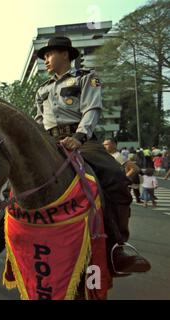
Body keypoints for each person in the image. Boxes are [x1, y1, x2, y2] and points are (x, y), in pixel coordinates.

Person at [34, 36, 150, 274]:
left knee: (115, 179)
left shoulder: (87, 77)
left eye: (49, 54)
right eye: (44, 56)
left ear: (65, 54)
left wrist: (78, 137)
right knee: (17, 170)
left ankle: (117, 247)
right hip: (48, 142)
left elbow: (91, 109)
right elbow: (38, 120)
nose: (45, 59)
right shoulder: (42, 88)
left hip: (81, 141)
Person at [104, 138, 142, 204]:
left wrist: (123, 178)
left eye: (107, 144)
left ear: (114, 145)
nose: (104, 146)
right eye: (104, 144)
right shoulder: (108, 155)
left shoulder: (118, 156)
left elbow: (135, 168)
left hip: (115, 186)